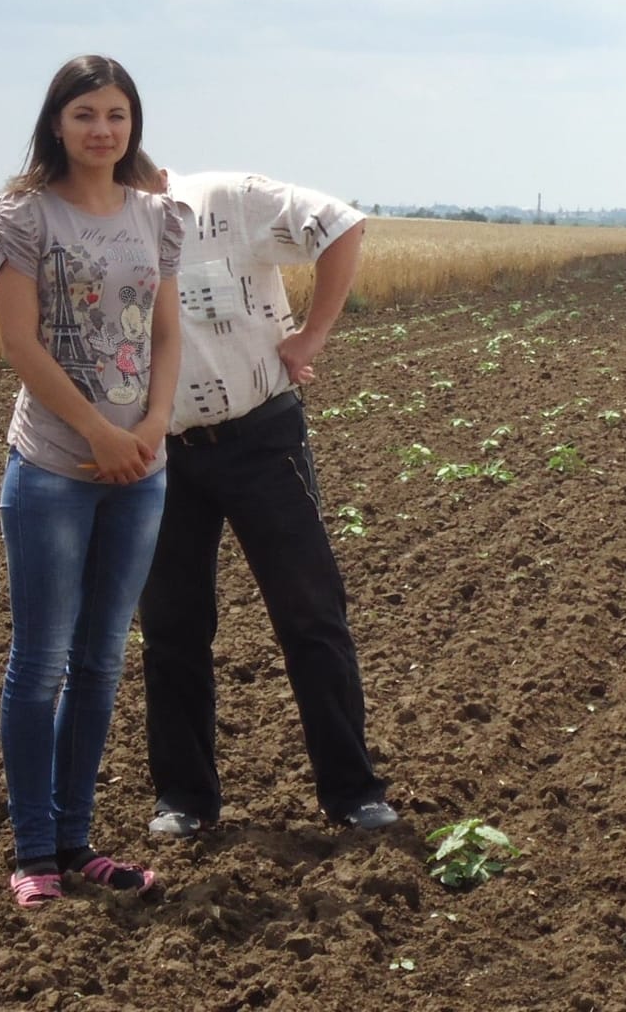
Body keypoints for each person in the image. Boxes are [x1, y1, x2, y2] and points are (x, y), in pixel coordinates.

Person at [134, 166, 395, 838]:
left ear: (158, 171)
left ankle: (352, 791)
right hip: (163, 454)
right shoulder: (104, 231)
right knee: (172, 628)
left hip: (260, 438)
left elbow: (341, 223)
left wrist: (311, 335)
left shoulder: (226, 201)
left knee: (311, 613)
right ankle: (184, 800)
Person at [0, 57, 182, 908]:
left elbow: (168, 335)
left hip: (140, 469)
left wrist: (148, 430)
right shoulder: (22, 216)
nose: (102, 130)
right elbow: (22, 345)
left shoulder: (160, 217)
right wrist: (99, 431)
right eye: (84, 114)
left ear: (132, 125)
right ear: (56, 124)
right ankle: (33, 853)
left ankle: (78, 841)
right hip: (56, 470)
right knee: (40, 666)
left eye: (116, 114)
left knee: (102, 662)